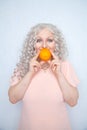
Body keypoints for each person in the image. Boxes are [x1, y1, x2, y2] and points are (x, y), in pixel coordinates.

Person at [8, 23, 80, 130]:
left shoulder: (65, 66)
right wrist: (30, 73)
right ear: (33, 45)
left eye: (50, 40)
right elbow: (13, 99)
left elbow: (73, 101)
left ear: (56, 44)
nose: (44, 46)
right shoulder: (23, 67)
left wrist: (59, 74)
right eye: (39, 40)